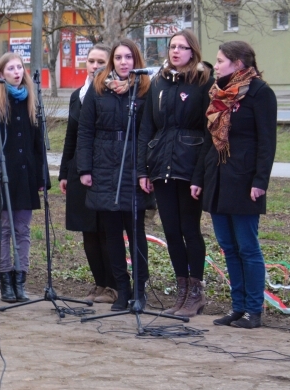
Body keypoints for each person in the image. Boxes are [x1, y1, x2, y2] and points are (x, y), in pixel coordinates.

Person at [192, 41, 276, 329]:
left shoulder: (260, 93)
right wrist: (199, 179)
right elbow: (210, 140)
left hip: (244, 181)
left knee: (247, 247)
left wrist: (260, 181)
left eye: (221, 61)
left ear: (239, 63)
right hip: (217, 179)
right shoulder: (216, 93)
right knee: (228, 246)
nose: (216, 66)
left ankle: (254, 310)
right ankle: (237, 307)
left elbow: (267, 142)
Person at [137, 30, 214, 318]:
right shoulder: (158, 82)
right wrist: (143, 169)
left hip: (189, 163)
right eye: (172, 47)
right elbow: (147, 127)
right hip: (160, 165)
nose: (176, 51)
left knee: (189, 229)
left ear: (193, 52)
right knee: (170, 230)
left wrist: (199, 176)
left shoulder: (204, 82)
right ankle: (181, 290)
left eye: (182, 47)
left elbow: (209, 131)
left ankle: (196, 291)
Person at [77, 39, 153, 312]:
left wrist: (145, 169)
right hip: (104, 166)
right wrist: (85, 169)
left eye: (128, 57)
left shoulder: (144, 89)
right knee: (111, 233)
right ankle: (122, 290)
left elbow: (150, 131)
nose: (123, 62)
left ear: (136, 61)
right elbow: (85, 131)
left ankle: (140, 291)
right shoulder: (99, 88)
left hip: (133, 164)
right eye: (119, 57)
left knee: (136, 232)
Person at [0, 52, 43, 303]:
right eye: (11, 68)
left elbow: (37, 143)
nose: (17, 72)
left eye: (20, 67)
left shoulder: (31, 100)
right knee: (5, 230)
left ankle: (20, 280)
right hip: (3, 175)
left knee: (23, 230)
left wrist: (40, 177)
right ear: (1, 73)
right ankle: (5, 280)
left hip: (25, 176)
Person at [59, 44, 116, 305]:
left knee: (106, 230)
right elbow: (71, 136)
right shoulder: (77, 95)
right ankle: (99, 282)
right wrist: (63, 173)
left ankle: (114, 286)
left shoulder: (114, 93)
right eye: (91, 61)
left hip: (104, 170)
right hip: (78, 170)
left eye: (100, 61)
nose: (94, 66)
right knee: (87, 232)